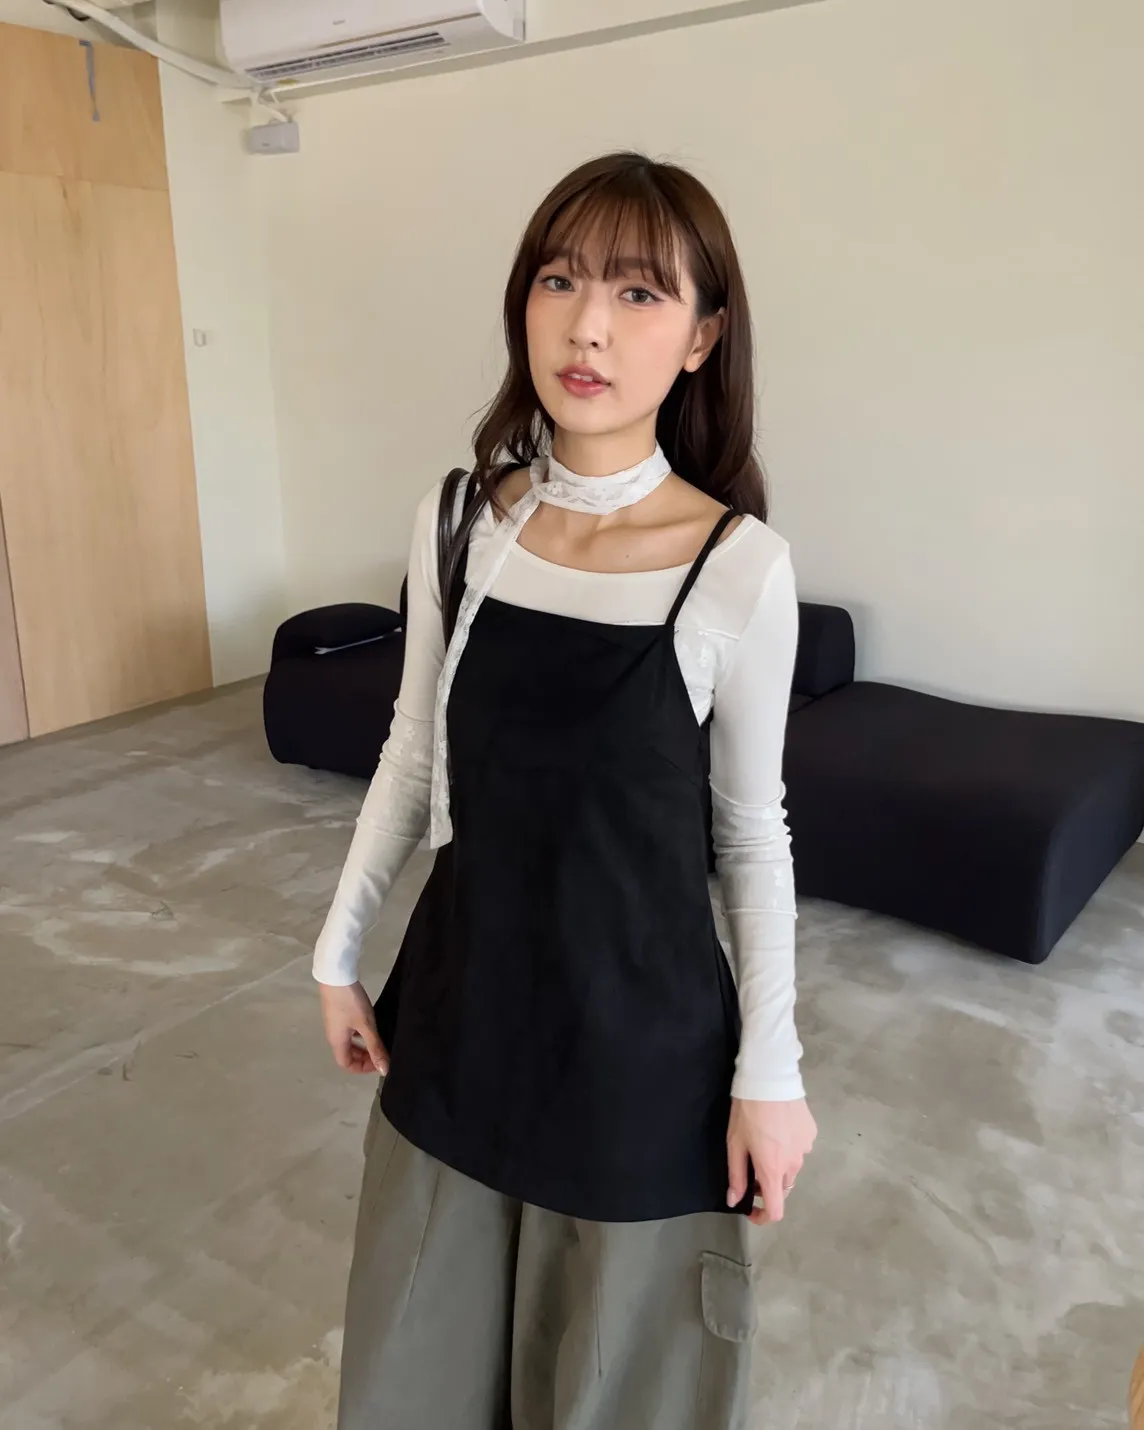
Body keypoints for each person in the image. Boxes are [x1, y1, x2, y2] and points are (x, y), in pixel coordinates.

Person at [312, 151, 817, 1430]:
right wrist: (337, 953)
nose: (588, 325)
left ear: (702, 337)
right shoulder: (457, 522)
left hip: (640, 1059)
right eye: (560, 279)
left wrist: (771, 1072)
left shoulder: (737, 567)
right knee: (412, 1378)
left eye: (639, 293)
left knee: (612, 1393)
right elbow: (412, 750)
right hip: (458, 1020)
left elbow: (751, 837)